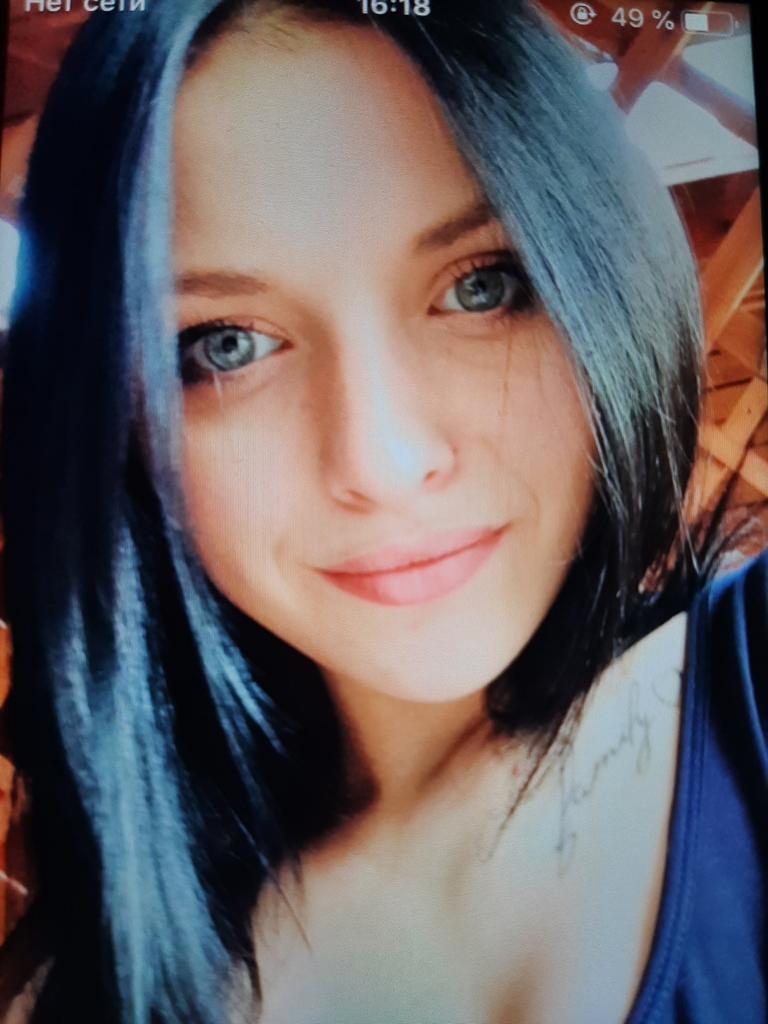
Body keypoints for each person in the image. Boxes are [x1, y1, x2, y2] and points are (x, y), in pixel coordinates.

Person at [0, 0, 765, 1021]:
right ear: (117, 426)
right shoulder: (102, 983)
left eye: (482, 286)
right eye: (226, 345)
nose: (383, 463)